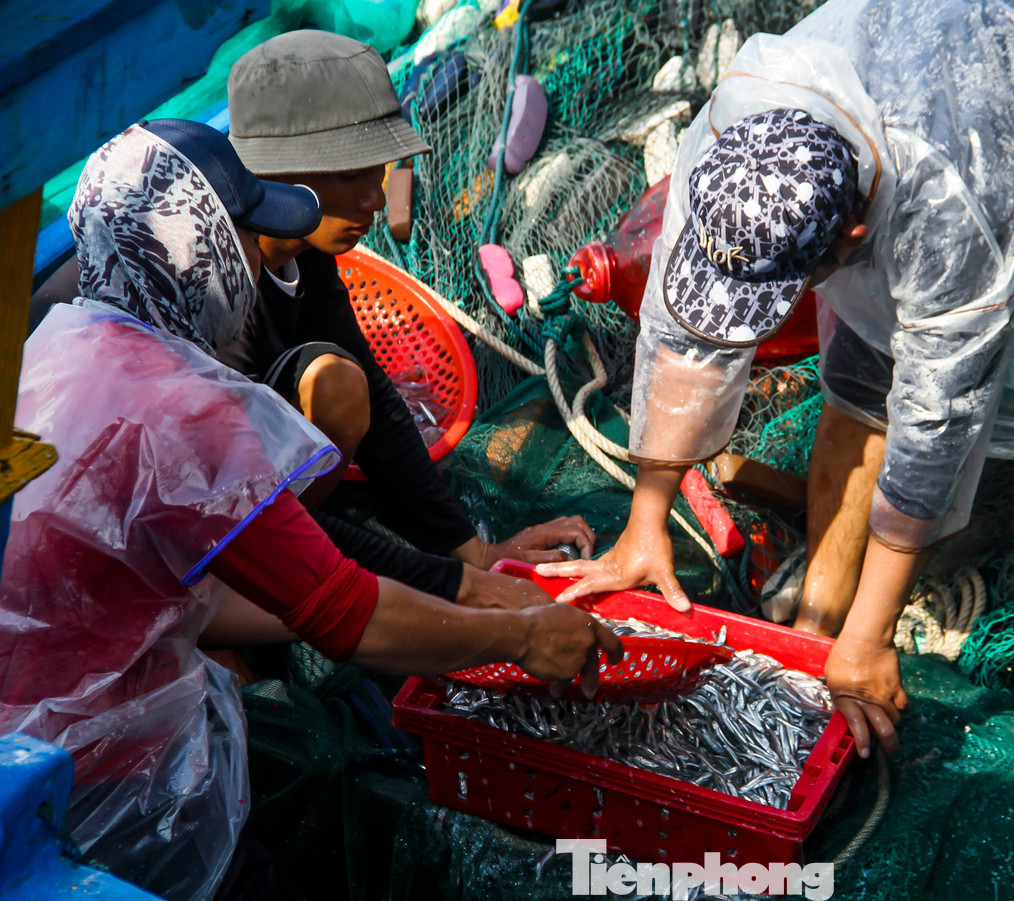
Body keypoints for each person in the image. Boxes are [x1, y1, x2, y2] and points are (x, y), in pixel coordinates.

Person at [541, 0, 1014, 833]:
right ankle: (815, 637)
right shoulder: (736, 136)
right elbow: (681, 329)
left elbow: (934, 428)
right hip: (926, 73)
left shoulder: (954, 207)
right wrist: (647, 517)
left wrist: (874, 633)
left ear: (855, 225)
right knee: (860, 366)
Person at [0, 120, 621, 901]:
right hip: (102, 789)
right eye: (247, 237)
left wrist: (430, 590)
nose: (259, 265)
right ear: (197, 251)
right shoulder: (179, 409)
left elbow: (209, 594)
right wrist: (523, 635)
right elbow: (344, 614)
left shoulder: (55, 342)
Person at [31, 30, 593, 612]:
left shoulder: (305, 248)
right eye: (353, 177)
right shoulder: (196, 288)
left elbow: (367, 393)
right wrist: (454, 587)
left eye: (380, 174)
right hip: (141, 522)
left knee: (344, 380)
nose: (376, 199)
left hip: (225, 489)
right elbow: (245, 502)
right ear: (278, 173)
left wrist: (466, 552)